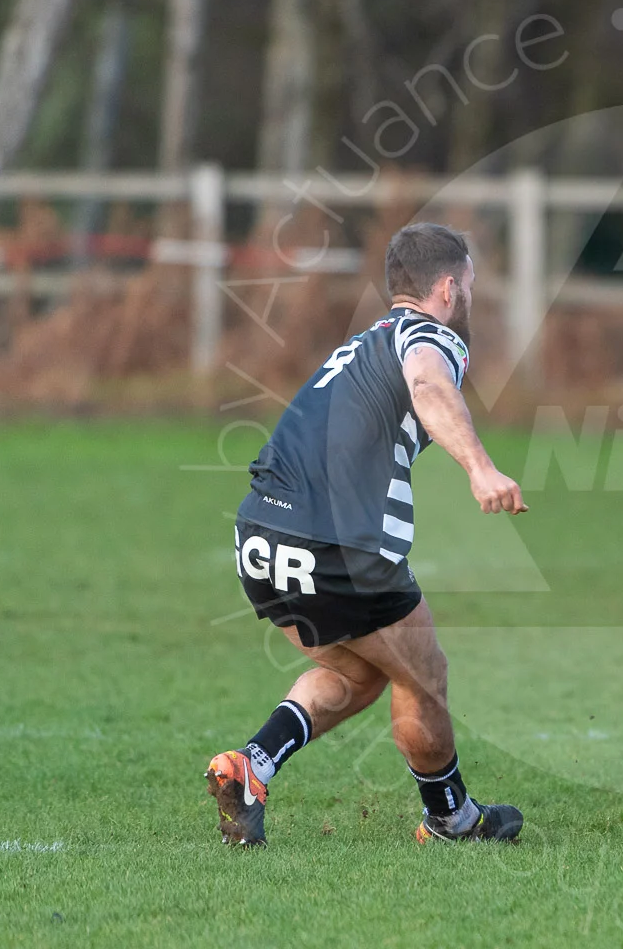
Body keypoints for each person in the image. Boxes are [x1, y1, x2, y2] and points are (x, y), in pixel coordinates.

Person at [205, 223, 527, 846]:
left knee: (359, 672)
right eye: (469, 284)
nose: (470, 296)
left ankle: (251, 766)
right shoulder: (430, 336)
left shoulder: (361, 344)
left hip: (260, 538)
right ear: (447, 288)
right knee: (423, 674)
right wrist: (481, 468)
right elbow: (428, 384)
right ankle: (452, 818)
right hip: (340, 549)